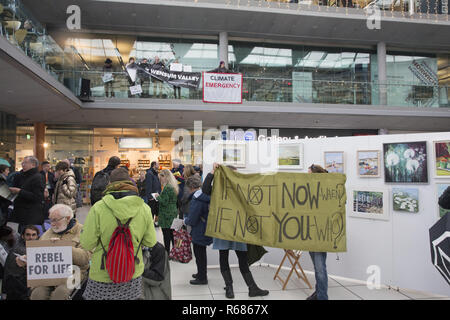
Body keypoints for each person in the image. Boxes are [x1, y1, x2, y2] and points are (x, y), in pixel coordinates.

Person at [80, 168, 157, 300]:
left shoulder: (98, 208)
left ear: (109, 184)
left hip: (102, 271)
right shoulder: (144, 208)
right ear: (130, 183)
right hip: (132, 269)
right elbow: (151, 241)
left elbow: (87, 244)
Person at [202, 163, 269, 298]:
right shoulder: (221, 188)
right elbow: (204, 190)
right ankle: (243, 287)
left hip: (233, 227)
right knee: (234, 258)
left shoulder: (237, 188)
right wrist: (212, 172)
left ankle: (237, 288)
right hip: (229, 228)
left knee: (232, 258)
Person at [29, 204, 91, 300]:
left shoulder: (83, 231)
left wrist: (64, 247)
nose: (52, 224)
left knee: (60, 294)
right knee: (37, 294)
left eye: (55, 220)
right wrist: (26, 259)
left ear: (68, 218)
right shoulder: (47, 233)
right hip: (49, 272)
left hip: (74, 271)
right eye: (50, 220)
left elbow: (85, 258)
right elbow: (38, 255)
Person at [184, 175, 212, 285]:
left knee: (199, 254)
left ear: (190, 187)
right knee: (201, 253)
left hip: (199, 229)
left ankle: (202, 277)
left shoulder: (197, 199)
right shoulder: (202, 195)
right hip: (203, 227)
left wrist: (185, 221)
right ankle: (201, 273)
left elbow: (193, 218)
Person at [307, 163, 329, 300]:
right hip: (310, 233)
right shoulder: (309, 190)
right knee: (317, 267)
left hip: (321, 234)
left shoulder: (326, 190)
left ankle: (322, 297)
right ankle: (318, 292)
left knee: (320, 268)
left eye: (309, 175)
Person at [9, 156, 45, 235]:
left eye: (25, 163)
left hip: (31, 216)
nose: (23, 164)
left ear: (33, 165)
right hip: (22, 215)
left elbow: (37, 197)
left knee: (30, 240)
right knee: (21, 238)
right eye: (22, 162)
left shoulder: (38, 177)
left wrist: (19, 191)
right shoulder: (21, 176)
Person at [1, 225, 39, 300]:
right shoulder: (18, 250)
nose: (31, 237)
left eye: (33, 235)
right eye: (28, 235)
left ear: (37, 236)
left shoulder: (38, 249)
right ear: (22, 236)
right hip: (17, 290)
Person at [155, 169, 179, 254]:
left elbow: (164, 202)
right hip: (172, 212)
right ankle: (174, 252)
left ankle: (167, 253)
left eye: (161, 177)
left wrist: (157, 197)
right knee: (172, 234)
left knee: (166, 235)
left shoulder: (167, 188)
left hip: (166, 214)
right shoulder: (172, 186)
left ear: (166, 177)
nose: (160, 179)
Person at [145, 161, 161, 225]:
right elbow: (148, 185)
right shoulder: (149, 173)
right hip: (152, 196)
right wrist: (150, 196)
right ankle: (150, 224)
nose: (159, 165)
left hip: (156, 195)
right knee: (152, 211)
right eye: (158, 164)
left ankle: (156, 223)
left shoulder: (155, 173)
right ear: (154, 165)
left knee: (156, 210)